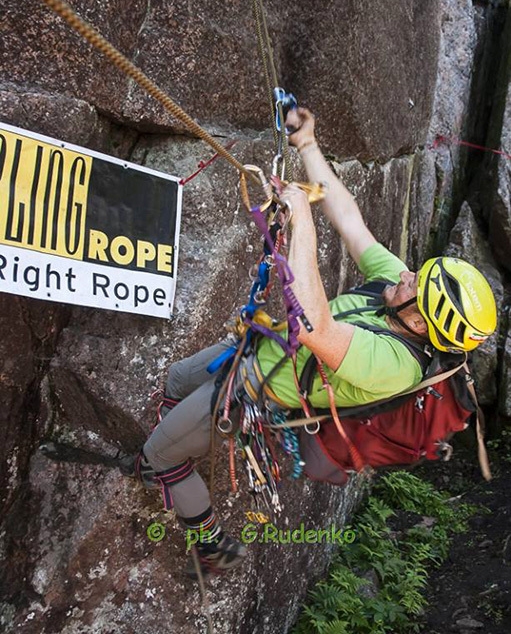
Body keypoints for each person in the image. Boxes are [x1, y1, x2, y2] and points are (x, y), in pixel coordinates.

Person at [122, 107, 497, 575]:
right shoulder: (393, 295)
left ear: (420, 324)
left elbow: (315, 325)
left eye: (412, 285)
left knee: (160, 456)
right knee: (177, 377)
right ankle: (179, 435)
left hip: (255, 391)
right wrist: (307, 144)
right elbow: (350, 218)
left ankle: (208, 542)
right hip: (258, 349)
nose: (404, 274)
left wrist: (302, 221)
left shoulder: (395, 364)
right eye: (413, 274)